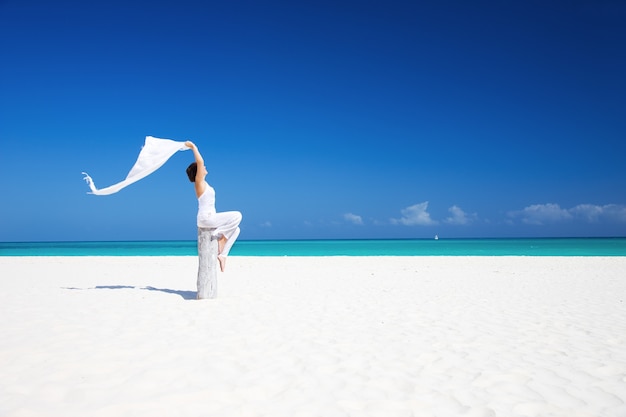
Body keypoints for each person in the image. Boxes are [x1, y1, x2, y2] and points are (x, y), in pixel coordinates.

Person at [185, 141, 242, 272]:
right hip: (206, 219)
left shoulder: (205, 184)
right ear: (198, 171)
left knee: (237, 230)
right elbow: (200, 161)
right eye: (202, 167)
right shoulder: (199, 184)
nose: (204, 167)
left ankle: (222, 255)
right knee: (237, 215)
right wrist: (194, 147)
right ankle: (221, 237)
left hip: (211, 218)